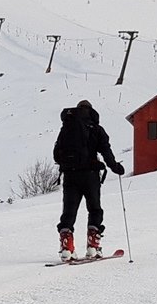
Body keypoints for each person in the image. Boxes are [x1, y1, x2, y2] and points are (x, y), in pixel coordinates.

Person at [54, 100, 125, 260]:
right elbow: (106, 151)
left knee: (69, 211)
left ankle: (66, 246)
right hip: (90, 175)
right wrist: (115, 167)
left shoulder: (66, 128)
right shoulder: (96, 129)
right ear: (91, 111)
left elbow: (56, 154)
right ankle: (93, 245)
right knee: (94, 209)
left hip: (70, 175)